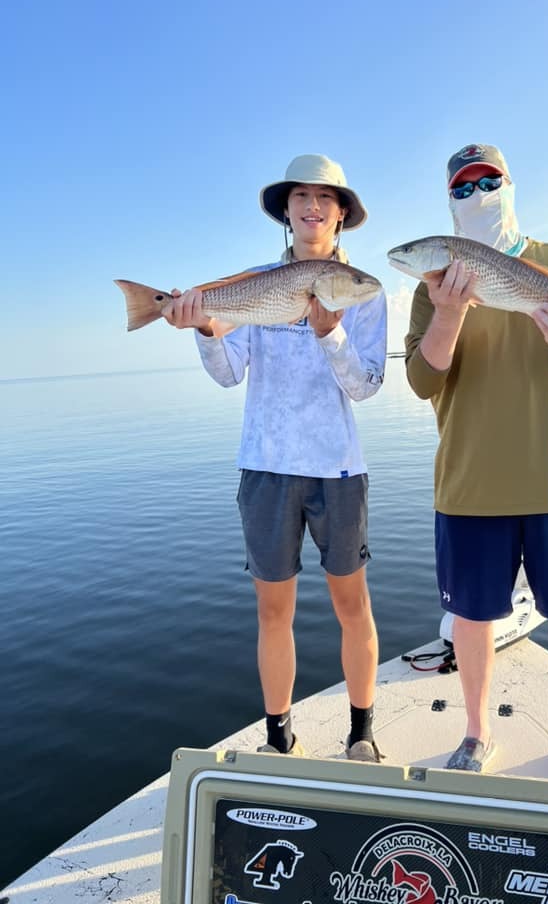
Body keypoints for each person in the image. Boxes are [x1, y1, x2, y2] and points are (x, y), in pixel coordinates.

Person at [404, 143, 548, 786]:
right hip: (470, 480)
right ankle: (476, 734)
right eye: (462, 187)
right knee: (471, 618)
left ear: (510, 185)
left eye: (488, 181)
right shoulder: (431, 285)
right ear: (448, 202)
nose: (477, 195)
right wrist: (449, 312)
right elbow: (422, 380)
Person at [163, 154, 387, 762]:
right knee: (272, 611)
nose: (313, 206)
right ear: (287, 210)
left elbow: (366, 385)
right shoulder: (257, 284)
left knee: (353, 605)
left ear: (342, 214)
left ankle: (361, 733)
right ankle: (278, 738)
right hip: (265, 465)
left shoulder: (362, 291)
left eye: (325, 197)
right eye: (301, 196)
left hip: (338, 469)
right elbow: (228, 374)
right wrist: (204, 329)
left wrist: (331, 332)